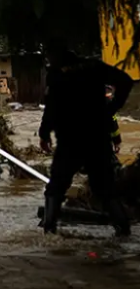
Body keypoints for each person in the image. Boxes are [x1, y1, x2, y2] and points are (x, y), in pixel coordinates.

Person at [38, 45, 134, 237]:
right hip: (96, 138)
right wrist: (111, 110)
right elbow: (126, 81)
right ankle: (123, 229)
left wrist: (44, 133)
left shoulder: (57, 75)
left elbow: (51, 108)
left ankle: (48, 230)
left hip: (70, 140)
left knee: (56, 186)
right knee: (105, 186)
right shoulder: (94, 68)